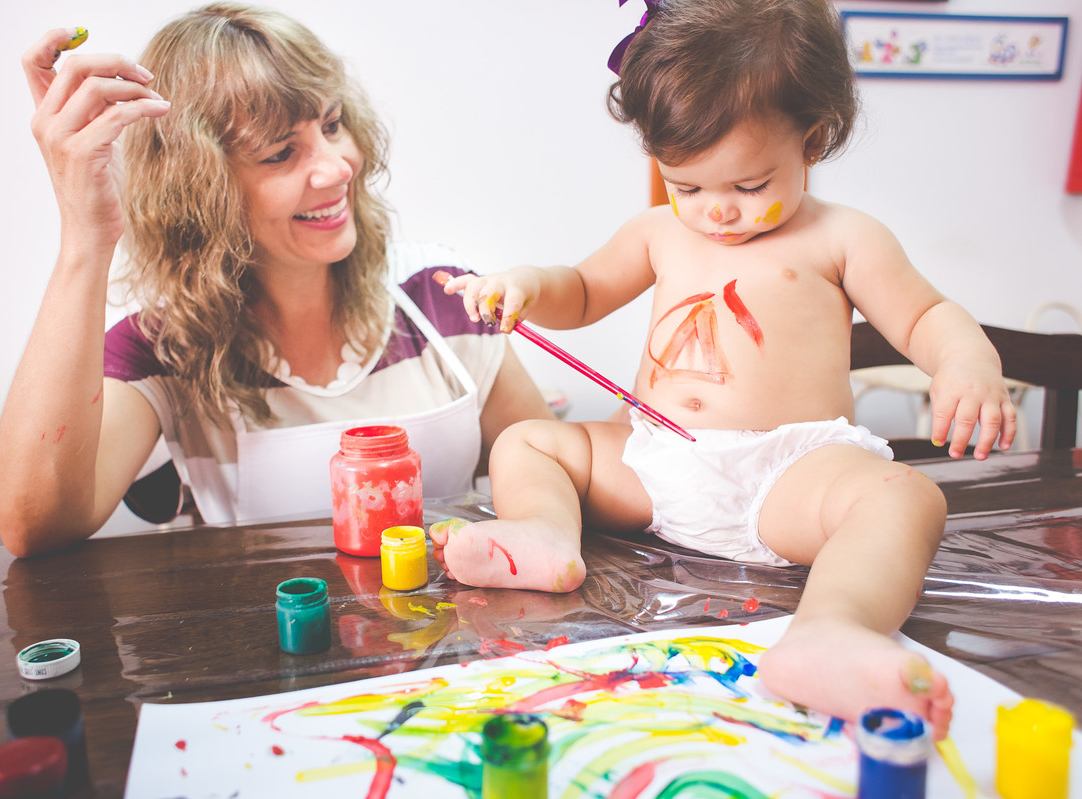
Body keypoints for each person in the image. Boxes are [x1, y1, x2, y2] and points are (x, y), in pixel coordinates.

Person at [431, 0, 1017, 739]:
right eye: (688, 186)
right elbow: (580, 290)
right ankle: (544, 534)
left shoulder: (845, 238)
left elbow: (927, 316)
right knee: (528, 441)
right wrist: (526, 285)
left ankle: (828, 633)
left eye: (748, 187)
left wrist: (966, 360)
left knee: (906, 499)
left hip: (787, 476)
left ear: (814, 139)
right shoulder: (657, 233)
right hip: (653, 461)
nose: (718, 214)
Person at [0, 3, 553, 558]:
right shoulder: (164, 350)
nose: (337, 168)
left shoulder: (444, 299)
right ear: (201, 187)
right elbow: (35, 525)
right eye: (281, 153)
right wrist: (86, 239)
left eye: (333, 125)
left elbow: (559, 473)